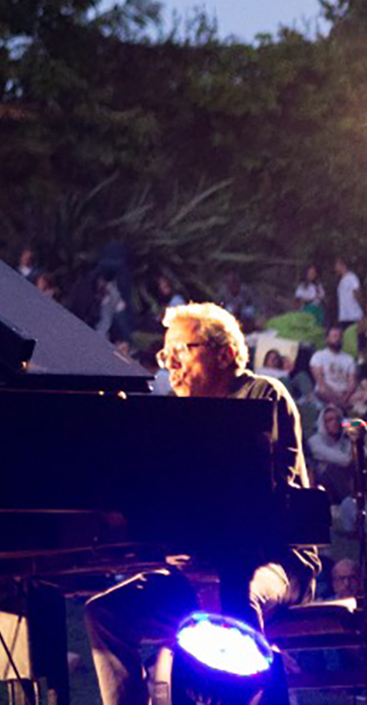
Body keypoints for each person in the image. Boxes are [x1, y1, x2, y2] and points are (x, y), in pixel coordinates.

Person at [84, 302, 318, 705]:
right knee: (104, 613)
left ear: (224, 354)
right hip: (202, 563)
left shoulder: (262, 394)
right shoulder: (178, 415)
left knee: (237, 596)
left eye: (182, 351)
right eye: (165, 355)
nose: (170, 365)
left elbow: (267, 498)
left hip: (277, 561)